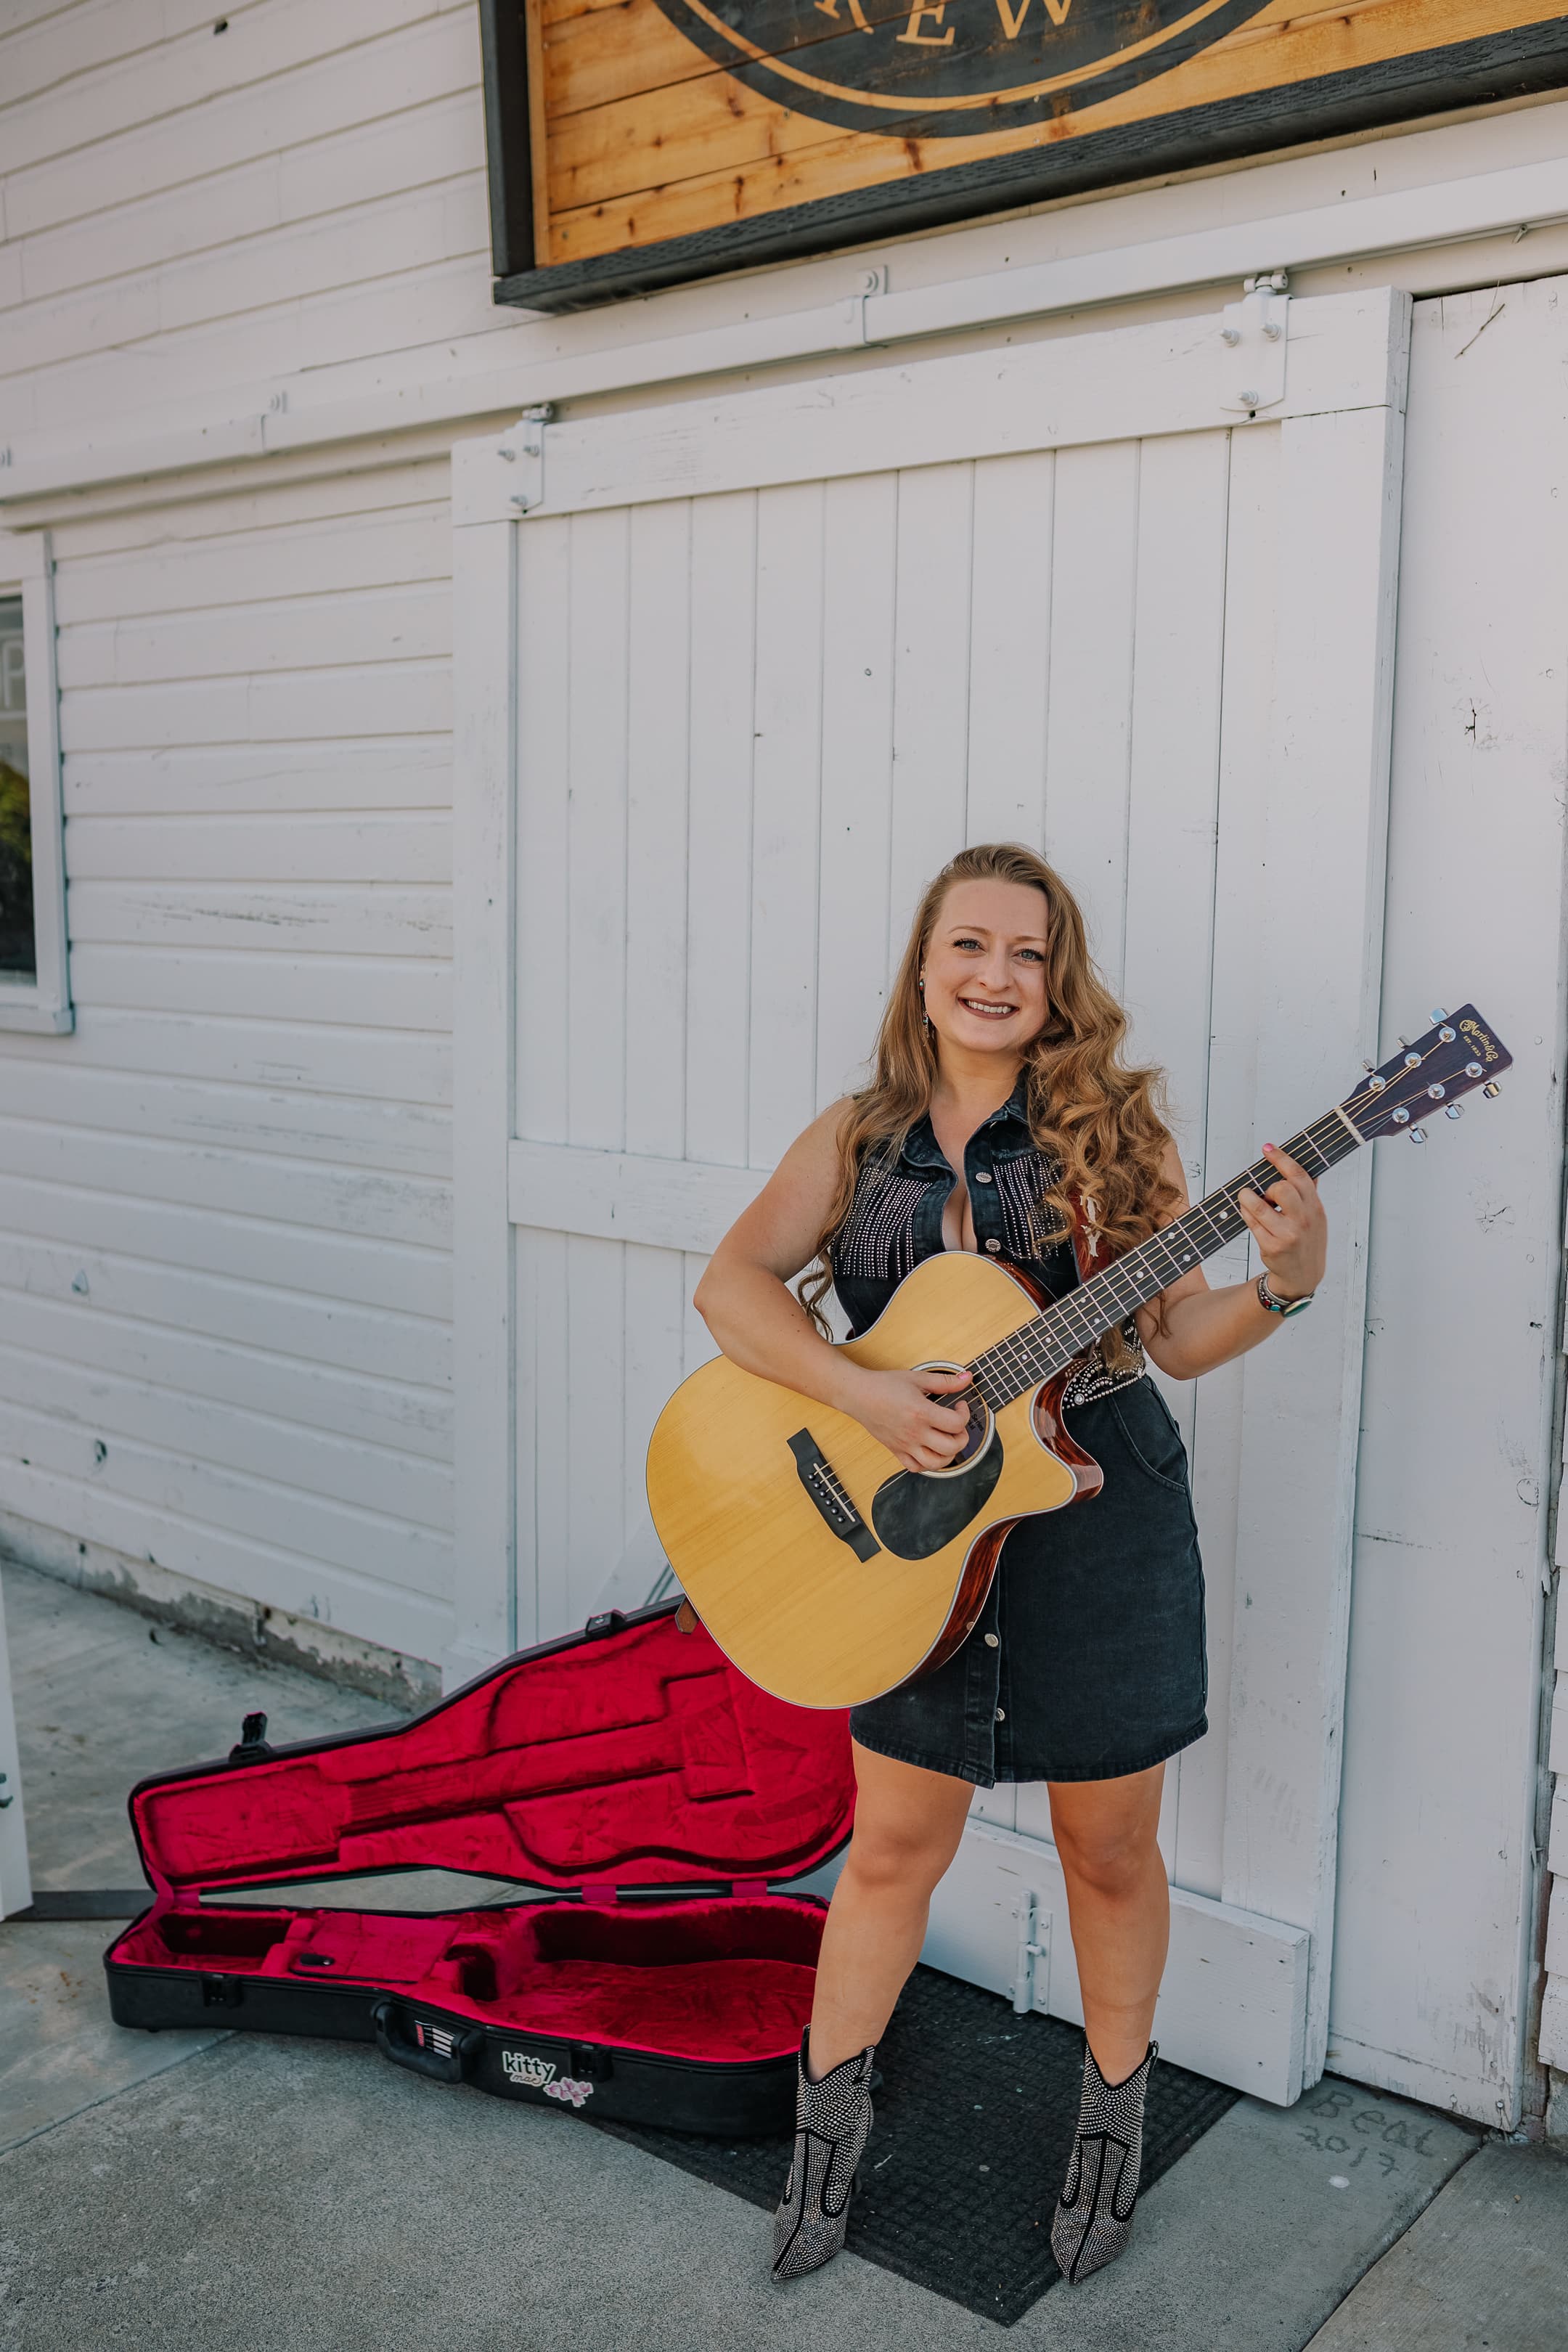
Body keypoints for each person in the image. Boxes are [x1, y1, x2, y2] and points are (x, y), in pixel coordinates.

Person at [692, 841, 1328, 2287]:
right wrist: (864, 1395)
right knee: (892, 1849)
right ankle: (826, 2138)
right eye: (968, 946)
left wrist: (1286, 1285)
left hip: (1098, 1528)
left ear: (1058, 980)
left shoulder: (1115, 1136)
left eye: (1027, 954)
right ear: (924, 967)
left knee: (1107, 1851)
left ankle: (1110, 2128)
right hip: (905, 1542)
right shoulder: (858, 1137)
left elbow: (1177, 1340)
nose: (996, 975)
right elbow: (731, 1286)